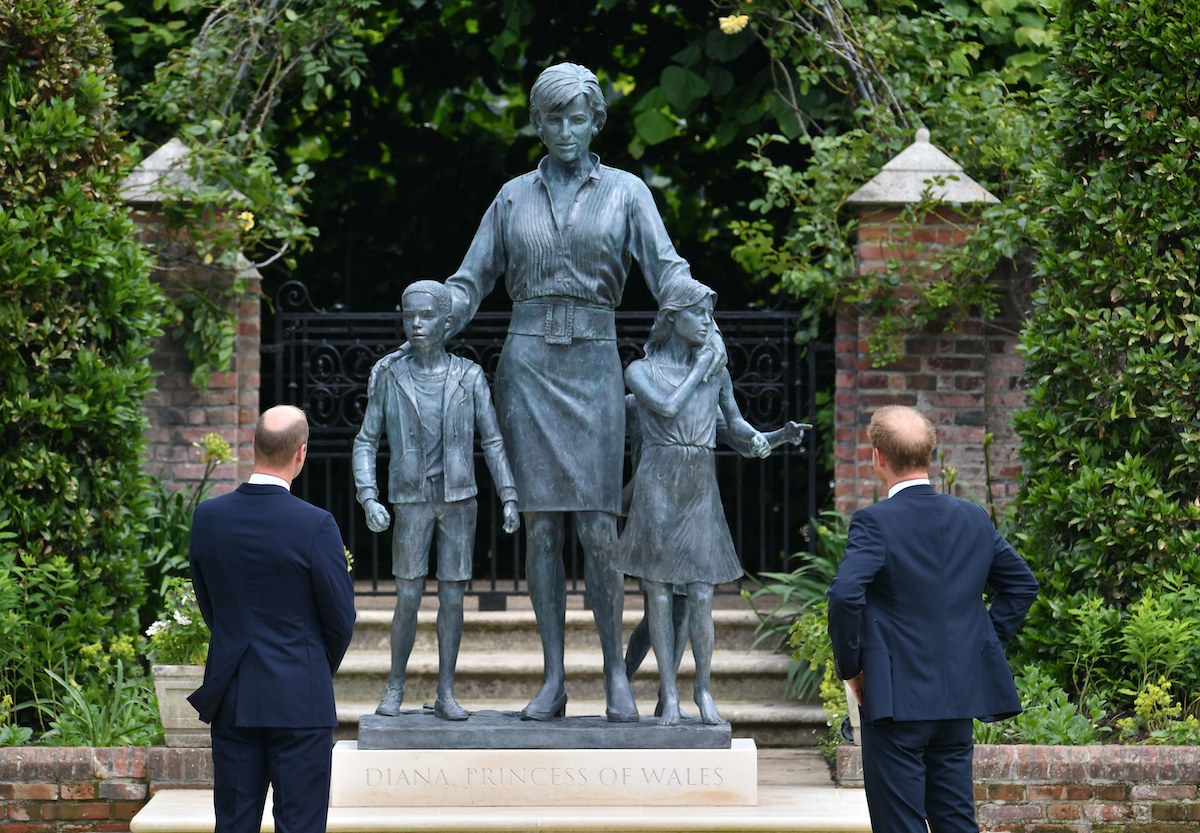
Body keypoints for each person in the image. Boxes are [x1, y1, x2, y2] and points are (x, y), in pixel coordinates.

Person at [369, 62, 728, 723]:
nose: (564, 129)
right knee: (539, 530)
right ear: (537, 123)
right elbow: (471, 280)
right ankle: (555, 677)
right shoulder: (511, 197)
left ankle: (616, 673)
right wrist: (433, 309)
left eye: (577, 117)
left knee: (597, 527)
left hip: (593, 364)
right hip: (528, 367)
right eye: (552, 117)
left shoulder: (626, 192)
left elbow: (667, 268)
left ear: (597, 122)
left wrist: (703, 319)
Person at [826, 405, 1039, 833]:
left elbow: (845, 594)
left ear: (877, 457)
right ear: (930, 453)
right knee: (956, 821)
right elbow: (1021, 585)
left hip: (895, 702)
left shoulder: (874, 522)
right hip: (956, 698)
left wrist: (854, 669)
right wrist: (979, 647)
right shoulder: (973, 518)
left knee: (899, 825)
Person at [352, 280, 520, 721]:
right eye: (409, 316)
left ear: (447, 322)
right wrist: (368, 496)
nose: (416, 324)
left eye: (426, 316)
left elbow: (494, 440)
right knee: (407, 596)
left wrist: (508, 495)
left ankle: (446, 692)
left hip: (460, 499)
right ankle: (395, 686)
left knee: (453, 597)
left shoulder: (469, 375)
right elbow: (366, 441)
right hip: (411, 499)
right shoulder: (390, 375)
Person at [612, 279, 775, 726]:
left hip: (699, 482)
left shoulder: (716, 371)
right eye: (698, 314)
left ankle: (702, 688)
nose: (707, 322)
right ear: (671, 318)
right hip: (658, 482)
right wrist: (702, 364)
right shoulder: (640, 371)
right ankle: (669, 694)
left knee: (701, 593)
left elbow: (735, 424)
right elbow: (665, 407)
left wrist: (766, 438)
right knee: (659, 594)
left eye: (710, 314)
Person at [188, 405, 356, 833]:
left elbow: (210, 606)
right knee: (301, 826)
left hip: (234, 693)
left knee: (234, 825)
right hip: (301, 698)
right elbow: (340, 619)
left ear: (253, 446)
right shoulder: (317, 525)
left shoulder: (208, 518)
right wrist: (311, 666)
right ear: (301, 454)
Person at [621, 393, 810, 717]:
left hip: (692, 509)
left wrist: (781, 436)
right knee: (657, 610)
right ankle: (623, 680)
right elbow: (605, 442)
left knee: (682, 607)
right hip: (654, 507)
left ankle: (667, 697)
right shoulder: (637, 400)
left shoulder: (702, 401)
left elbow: (745, 442)